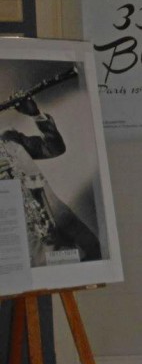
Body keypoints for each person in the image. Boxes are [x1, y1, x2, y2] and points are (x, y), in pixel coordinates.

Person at [0, 93, 102, 266]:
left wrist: (35, 114)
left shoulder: (8, 138)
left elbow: (54, 148)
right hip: (28, 243)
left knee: (94, 257)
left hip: (62, 221)